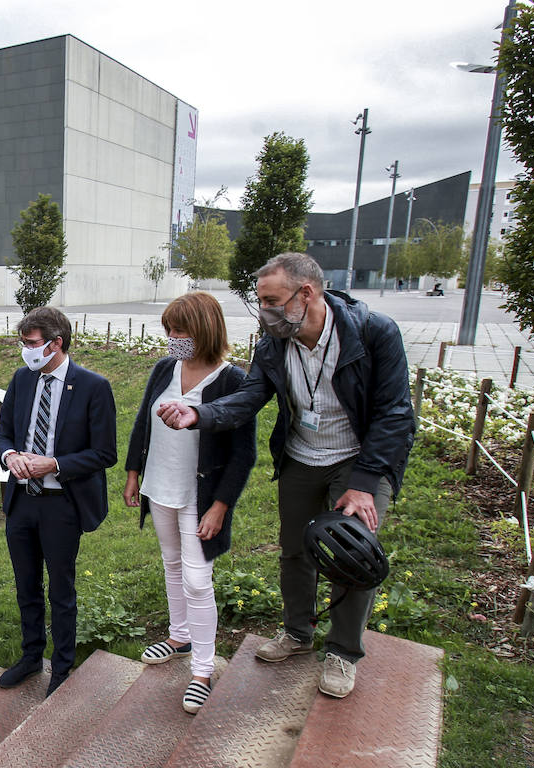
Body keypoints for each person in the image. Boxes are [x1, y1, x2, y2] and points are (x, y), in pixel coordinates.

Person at [161, 252, 414, 699]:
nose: (264, 311)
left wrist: (365, 483)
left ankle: (343, 651)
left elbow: (394, 414)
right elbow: (249, 397)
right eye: (260, 301)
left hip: (359, 461)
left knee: (350, 554)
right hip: (301, 457)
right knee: (294, 551)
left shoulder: (375, 333)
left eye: (271, 300)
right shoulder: (275, 341)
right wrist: (198, 414)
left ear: (307, 293)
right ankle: (298, 634)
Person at [124, 293, 256, 714]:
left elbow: (244, 453)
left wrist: (221, 506)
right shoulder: (165, 368)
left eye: (180, 330)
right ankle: (179, 637)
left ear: (204, 330)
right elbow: (143, 420)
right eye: (169, 330)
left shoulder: (233, 381)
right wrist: (132, 473)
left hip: (201, 498)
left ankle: (203, 671)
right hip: (160, 485)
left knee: (198, 580)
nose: (172, 338)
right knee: (172, 564)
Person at [0, 306, 117, 696]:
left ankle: (62, 667)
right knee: (25, 585)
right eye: (23, 343)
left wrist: (56, 464)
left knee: (60, 590)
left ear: (56, 343)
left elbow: (105, 453)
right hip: (21, 501)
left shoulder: (93, 386)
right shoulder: (22, 379)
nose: (25, 351)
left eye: (31, 344)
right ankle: (32, 657)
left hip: (61, 503)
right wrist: (9, 456)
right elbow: (4, 434)